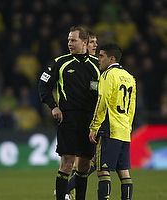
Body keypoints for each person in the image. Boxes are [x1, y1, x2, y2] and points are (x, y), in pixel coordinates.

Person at [38, 26, 100, 200]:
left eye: (73, 40)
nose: (70, 44)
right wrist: (53, 106)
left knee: (85, 166)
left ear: (84, 42)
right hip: (68, 118)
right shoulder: (60, 62)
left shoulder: (96, 65)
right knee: (67, 163)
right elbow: (43, 85)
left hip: (89, 120)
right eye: (68, 40)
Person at [89, 43, 136, 200]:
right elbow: (132, 108)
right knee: (124, 172)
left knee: (102, 170)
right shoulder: (130, 77)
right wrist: (128, 126)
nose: (98, 59)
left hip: (110, 128)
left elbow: (102, 101)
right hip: (124, 130)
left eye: (101, 56)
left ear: (112, 58)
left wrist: (94, 126)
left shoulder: (108, 75)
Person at [66, 29, 98, 199]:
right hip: (86, 119)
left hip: (95, 118)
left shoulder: (98, 67)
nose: (95, 45)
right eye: (92, 42)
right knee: (92, 161)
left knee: (88, 162)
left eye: (96, 42)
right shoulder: (82, 66)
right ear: (86, 43)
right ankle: (66, 188)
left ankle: (68, 188)